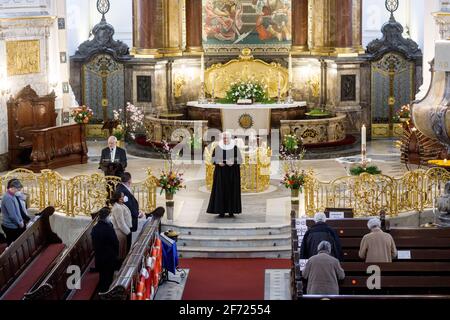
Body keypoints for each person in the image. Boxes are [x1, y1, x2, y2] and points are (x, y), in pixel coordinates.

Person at [207, 132, 243, 218]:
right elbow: (212, 160)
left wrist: (233, 162)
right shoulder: (218, 148)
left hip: (232, 174)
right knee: (221, 191)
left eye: (227, 138)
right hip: (221, 174)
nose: (225, 140)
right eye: (224, 138)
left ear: (230, 139)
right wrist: (218, 162)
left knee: (232, 191)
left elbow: (240, 160)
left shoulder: (235, 148)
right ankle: (221, 211)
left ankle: (232, 211)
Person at [91, 207, 119, 293]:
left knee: (102, 277)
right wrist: (116, 255)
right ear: (107, 217)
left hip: (99, 258)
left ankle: (101, 292)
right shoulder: (108, 228)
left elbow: (94, 244)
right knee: (108, 279)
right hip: (109, 258)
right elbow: (115, 242)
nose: (110, 217)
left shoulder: (95, 228)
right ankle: (106, 294)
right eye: (110, 215)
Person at [116, 172, 144, 252]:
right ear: (129, 180)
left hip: (126, 220)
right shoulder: (123, 191)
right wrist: (138, 214)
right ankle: (126, 257)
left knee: (127, 240)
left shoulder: (121, 187)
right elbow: (128, 207)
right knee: (126, 242)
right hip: (126, 221)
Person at [1, 179, 30, 246]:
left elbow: (18, 211)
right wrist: (19, 223)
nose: (19, 191)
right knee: (14, 246)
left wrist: (21, 220)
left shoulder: (12, 195)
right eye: (18, 190)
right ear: (13, 188)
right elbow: (12, 215)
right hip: (10, 226)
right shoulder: (8, 198)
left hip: (15, 224)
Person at [109, 191, 132, 262]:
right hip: (121, 232)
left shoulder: (121, 205)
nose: (124, 197)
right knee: (121, 252)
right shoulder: (117, 208)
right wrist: (128, 232)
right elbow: (121, 223)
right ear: (118, 198)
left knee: (124, 251)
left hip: (124, 231)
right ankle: (120, 268)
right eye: (122, 196)